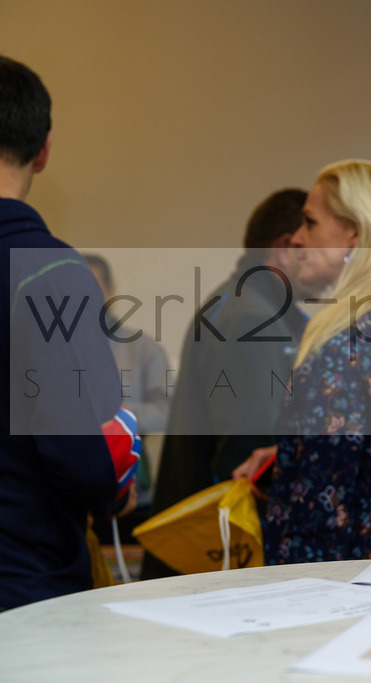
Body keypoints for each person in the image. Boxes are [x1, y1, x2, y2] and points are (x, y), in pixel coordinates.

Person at [238, 159, 371, 563]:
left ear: (354, 234)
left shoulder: (342, 346)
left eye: (310, 223)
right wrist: (292, 454)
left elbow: (320, 513)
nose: (297, 240)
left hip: (335, 595)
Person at [1, 55, 139, 609]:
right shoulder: (45, 269)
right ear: (44, 149)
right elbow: (84, 455)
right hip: (22, 583)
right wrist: (117, 477)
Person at [141, 188, 309, 579]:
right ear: (286, 247)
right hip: (219, 559)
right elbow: (247, 457)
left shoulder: (251, 306)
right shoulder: (250, 318)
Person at [85, 254, 172, 510]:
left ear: (110, 290)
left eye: (93, 284)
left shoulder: (143, 348)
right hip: (73, 491)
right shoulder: (53, 350)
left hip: (133, 491)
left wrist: (115, 417)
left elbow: (167, 411)